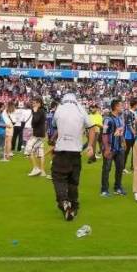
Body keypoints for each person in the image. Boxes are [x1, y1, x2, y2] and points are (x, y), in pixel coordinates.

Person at [49, 92, 96, 220]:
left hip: (61, 151)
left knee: (58, 177)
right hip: (76, 152)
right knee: (73, 181)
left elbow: (55, 126)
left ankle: (64, 201)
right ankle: (74, 206)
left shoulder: (59, 109)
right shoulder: (80, 108)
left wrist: (53, 140)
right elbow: (92, 128)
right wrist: (90, 145)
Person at [101, 98, 126, 197]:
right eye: (121, 105)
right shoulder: (108, 119)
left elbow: (120, 132)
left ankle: (118, 187)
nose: (122, 107)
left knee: (120, 168)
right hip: (110, 148)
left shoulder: (120, 118)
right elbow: (104, 134)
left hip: (120, 148)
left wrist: (123, 141)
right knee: (106, 169)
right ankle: (104, 190)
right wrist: (107, 148)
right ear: (116, 107)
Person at [26, 97, 49, 178]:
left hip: (37, 134)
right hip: (40, 134)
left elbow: (35, 121)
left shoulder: (39, 111)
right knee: (40, 153)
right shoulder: (42, 110)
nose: (33, 104)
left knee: (28, 150)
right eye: (32, 103)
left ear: (39, 103)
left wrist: (35, 112)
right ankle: (42, 171)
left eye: (34, 103)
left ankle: (36, 168)